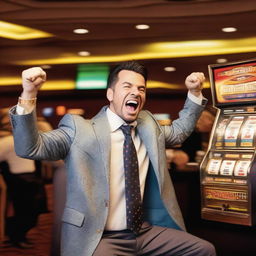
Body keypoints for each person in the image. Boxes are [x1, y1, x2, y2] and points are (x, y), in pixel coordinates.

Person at [9, 61, 216, 256]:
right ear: (110, 93)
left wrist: (195, 92)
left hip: (144, 232)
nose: (136, 92)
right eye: (127, 86)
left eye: (141, 89)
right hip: (100, 236)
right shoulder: (79, 129)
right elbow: (31, 148)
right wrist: (29, 92)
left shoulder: (148, 125)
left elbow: (179, 132)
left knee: (203, 249)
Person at [0, 108, 48, 249]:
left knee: (33, 212)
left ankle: (19, 236)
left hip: (32, 179)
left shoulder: (24, 137)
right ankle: (16, 237)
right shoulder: (8, 140)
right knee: (22, 212)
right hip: (19, 180)